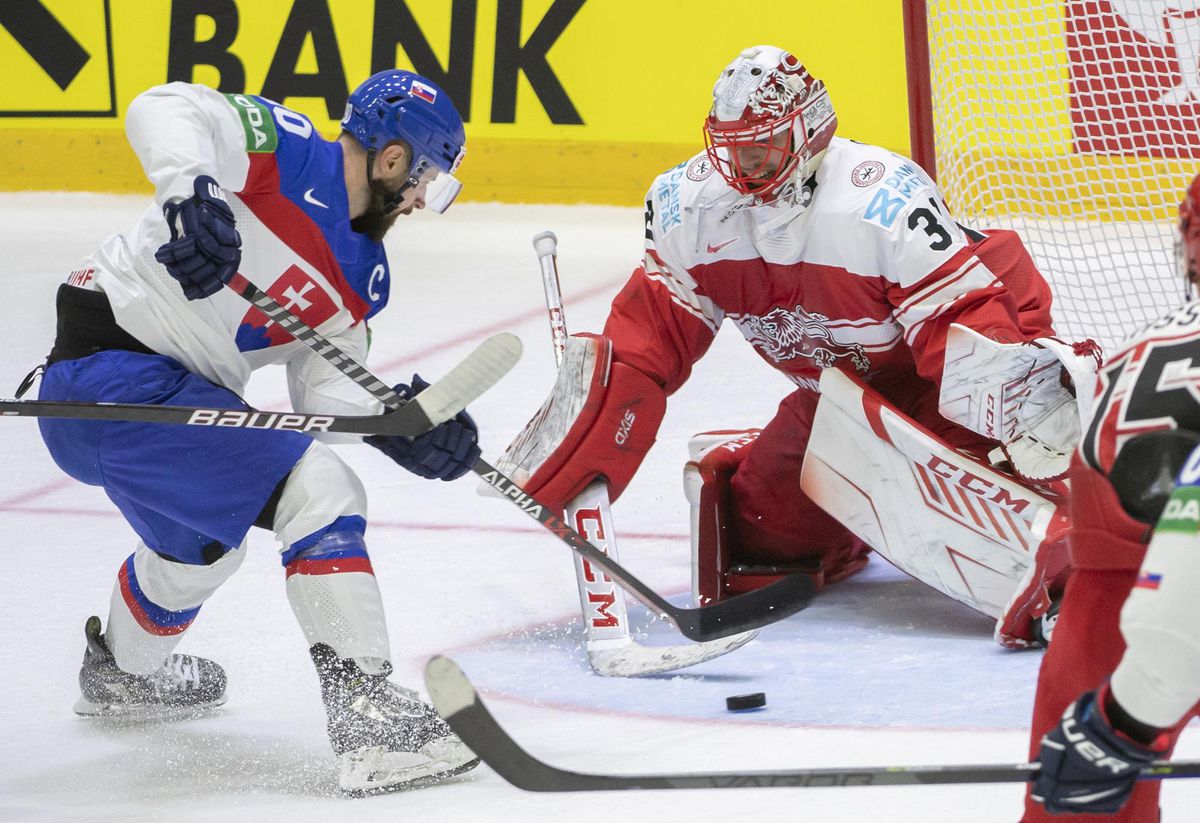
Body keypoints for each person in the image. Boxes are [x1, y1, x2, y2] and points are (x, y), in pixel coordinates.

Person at [496, 44, 1098, 647]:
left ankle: (1094, 500)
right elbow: (649, 338)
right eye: (730, 146)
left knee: (1012, 530)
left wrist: (1020, 414)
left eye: (761, 145)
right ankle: (848, 507)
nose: (743, 164)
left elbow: (964, 325)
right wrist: (590, 428)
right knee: (762, 534)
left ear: (810, 132)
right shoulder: (688, 208)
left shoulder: (879, 200)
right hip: (841, 399)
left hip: (942, 379)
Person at [25, 70, 482, 794]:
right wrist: (191, 195)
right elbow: (165, 106)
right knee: (321, 491)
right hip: (109, 372)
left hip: (153, 403)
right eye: (430, 177)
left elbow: (325, 394)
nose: (426, 199)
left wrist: (400, 422)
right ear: (394, 158)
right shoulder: (293, 151)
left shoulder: (362, 276)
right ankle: (369, 719)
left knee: (202, 546)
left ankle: (121, 673)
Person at [1025, 173, 1200, 820]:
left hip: (1105, 608)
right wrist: (1128, 714)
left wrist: (1118, 722)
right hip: (1159, 603)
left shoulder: (1136, 348)